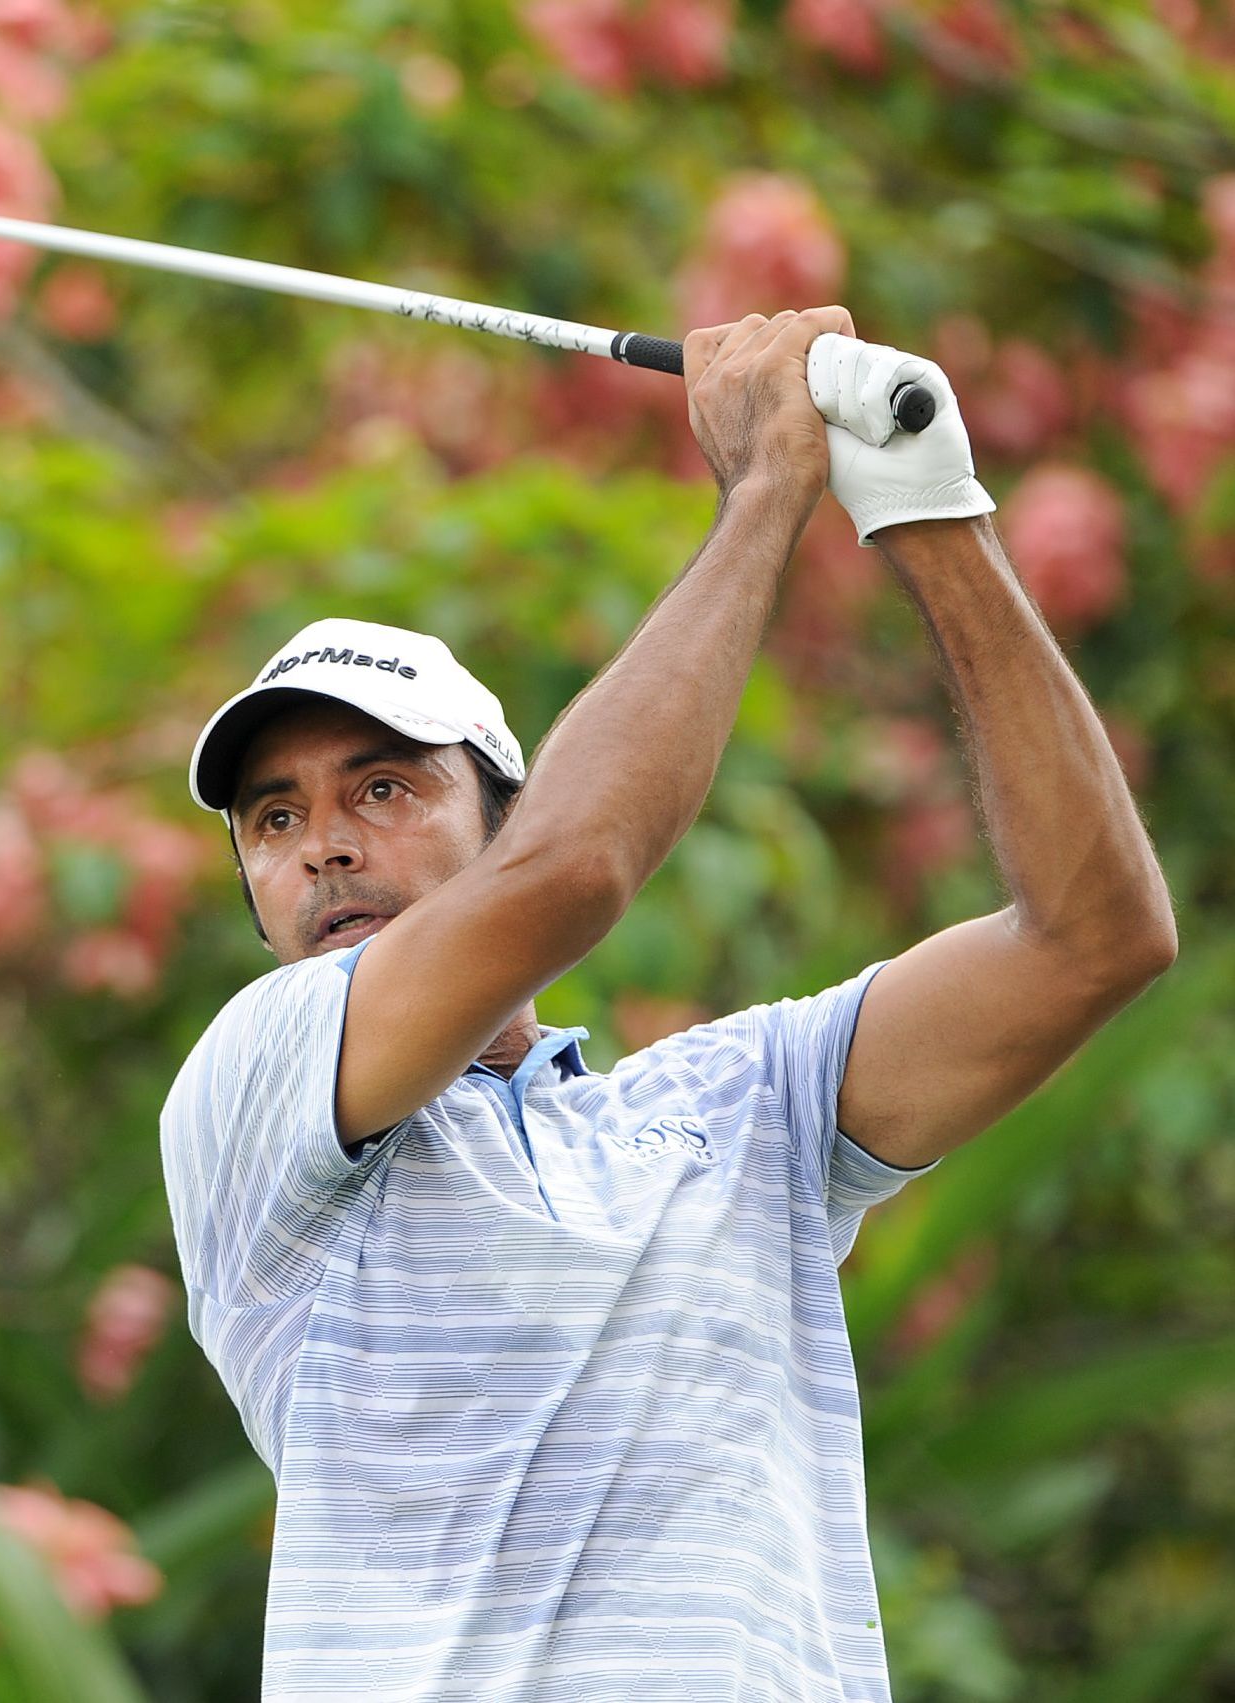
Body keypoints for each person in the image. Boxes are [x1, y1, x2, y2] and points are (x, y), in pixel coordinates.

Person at [158, 307, 1177, 1701]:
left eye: (383, 788)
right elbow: (576, 870)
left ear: (499, 817)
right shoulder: (261, 1077)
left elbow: (1094, 939)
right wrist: (767, 490)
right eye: (273, 820)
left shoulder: (739, 1112)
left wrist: (925, 503)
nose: (323, 845)